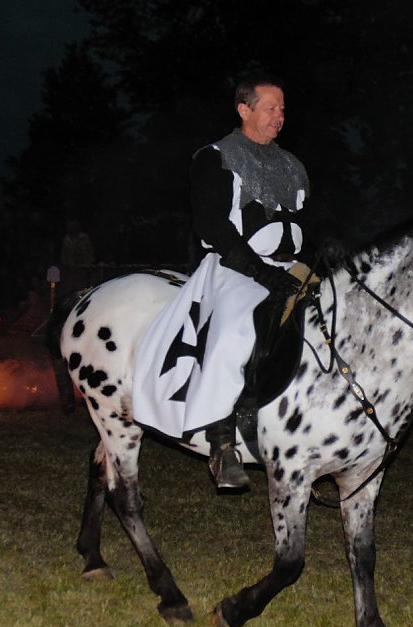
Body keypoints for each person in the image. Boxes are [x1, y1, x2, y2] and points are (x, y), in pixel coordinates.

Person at [133, 73, 317, 489]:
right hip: (235, 268)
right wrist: (260, 272)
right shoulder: (215, 157)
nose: (280, 116)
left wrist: (325, 250)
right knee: (235, 330)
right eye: (271, 108)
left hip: (291, 269)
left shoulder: (292, 165)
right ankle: (221, 443)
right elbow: (212, 226)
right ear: (244, 110)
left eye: (283, 109)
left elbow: (311, 222)